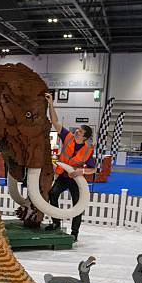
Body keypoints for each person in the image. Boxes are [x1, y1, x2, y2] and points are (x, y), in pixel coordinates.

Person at [44, 92, 96, 242]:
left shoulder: (88, 150)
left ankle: (74, 232)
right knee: (53, 194)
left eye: (80, 131)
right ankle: (56, 223)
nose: (76, 131)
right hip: (63, 176)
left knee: (77, 205)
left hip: (76, 179)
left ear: (84, 137)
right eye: (77, 129)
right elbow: (55, 121)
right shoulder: (67, 136)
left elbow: (94, 169)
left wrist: (83, 171)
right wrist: (51, 104)